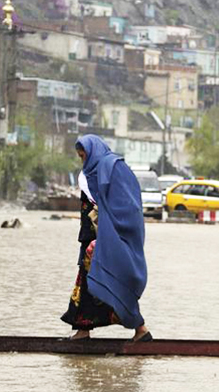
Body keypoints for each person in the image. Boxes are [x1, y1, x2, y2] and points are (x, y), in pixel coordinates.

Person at [61, 135, 151, 342]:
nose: (83, 160)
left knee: (112, 279)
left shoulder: (112, 168)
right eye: (80, 157)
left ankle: (140, 329)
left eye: (84, 156)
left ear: (93, 151)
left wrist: (106, 233)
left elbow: (127, 204)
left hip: (106, 238)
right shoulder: (89, 174)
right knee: (90, 282)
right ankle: (85, 329)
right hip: (90, 237)